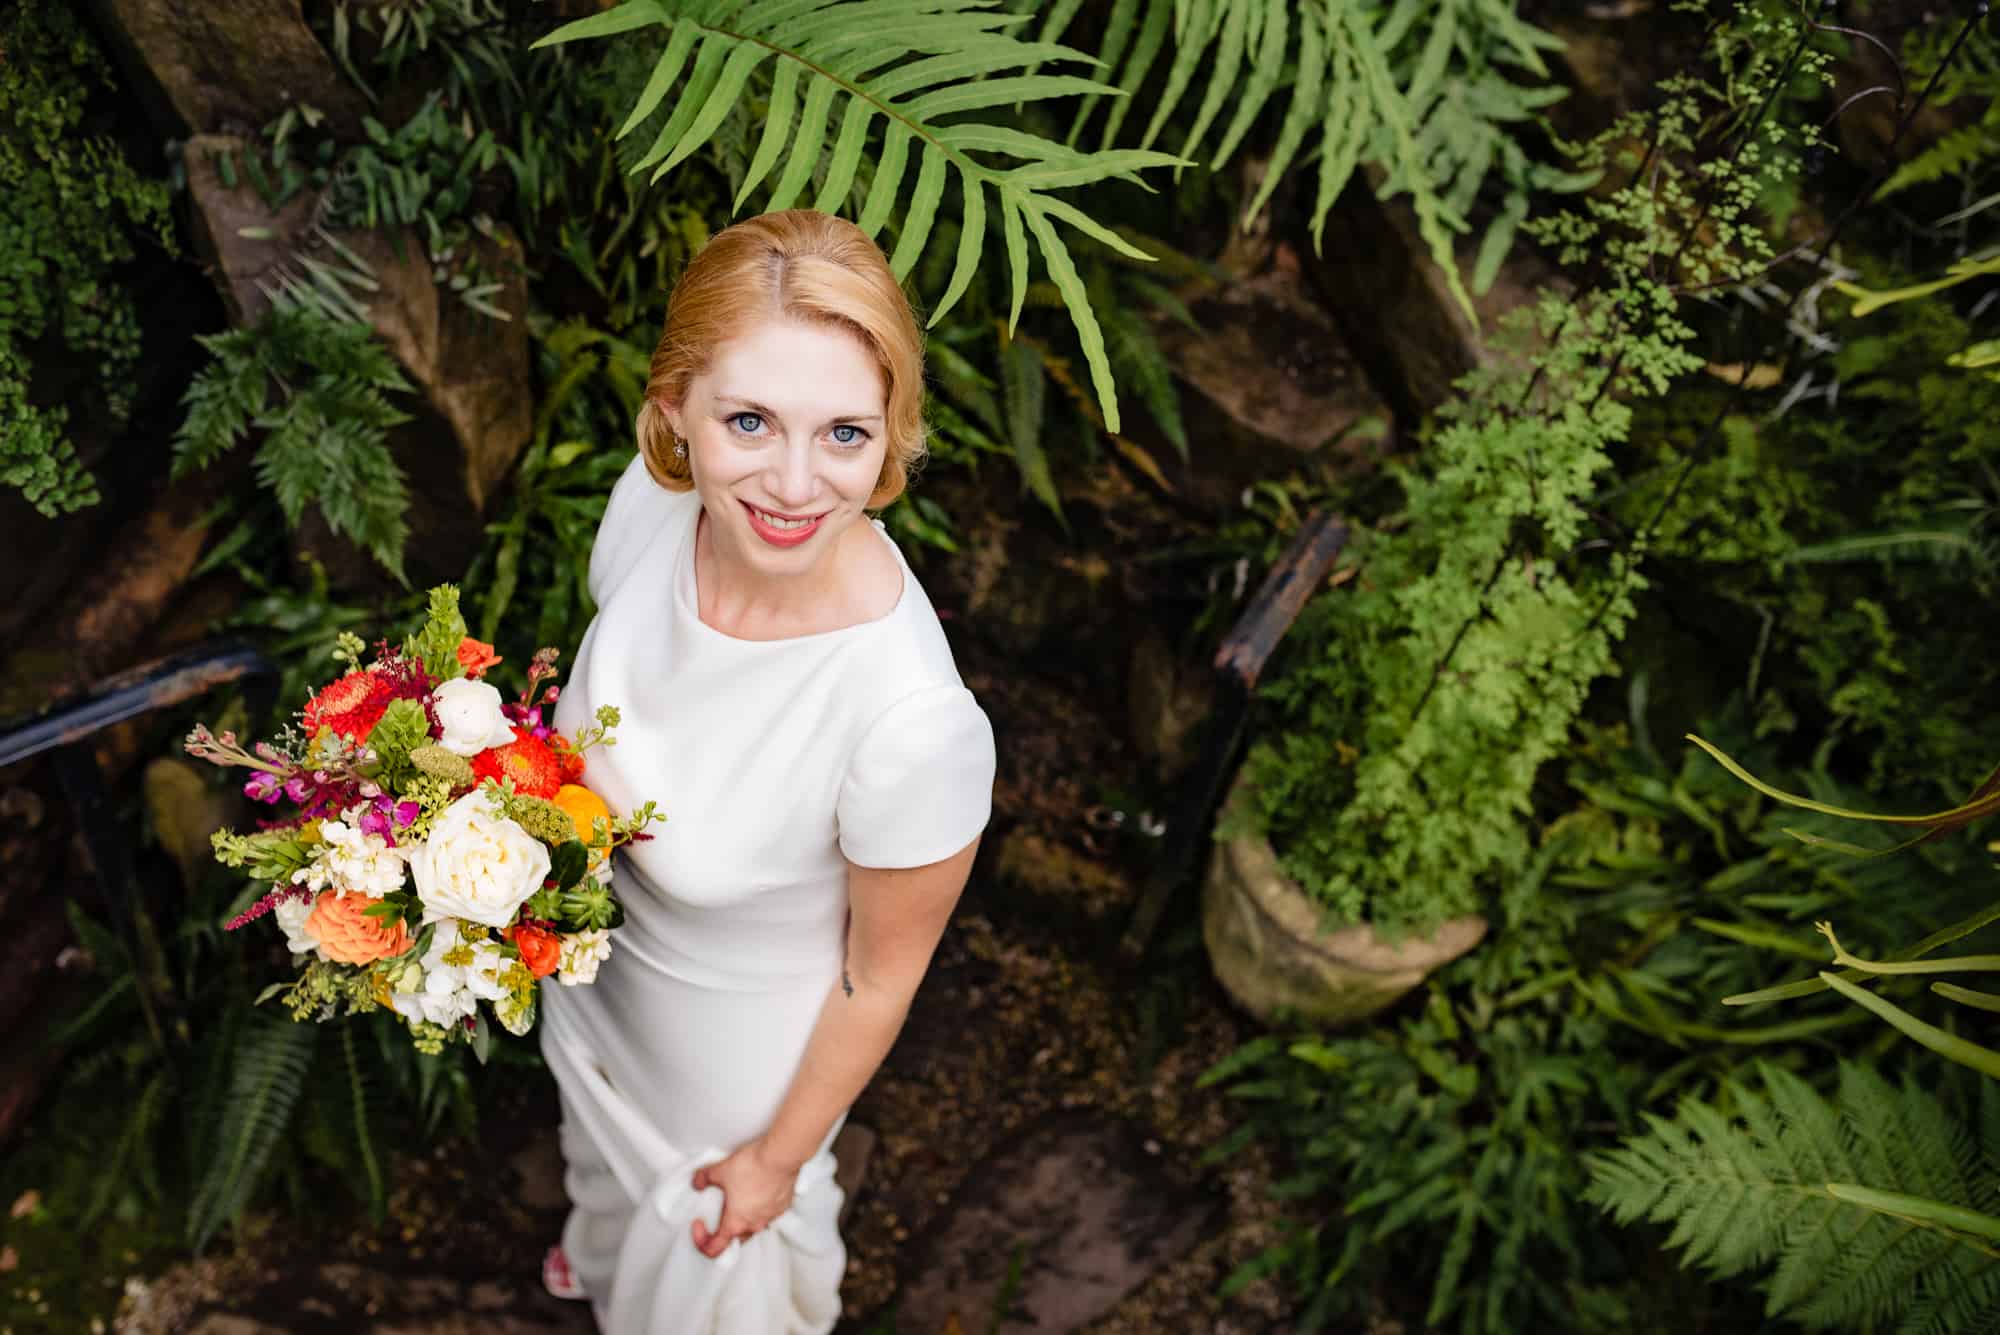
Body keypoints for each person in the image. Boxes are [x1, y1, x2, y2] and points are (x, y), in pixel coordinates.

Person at [539, 209, 995, 1333]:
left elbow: (878, 978)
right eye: (750, 420)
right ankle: (602, 1250)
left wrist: (775, 1160)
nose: (794, 485)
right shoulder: (655, 506)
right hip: (600, 983)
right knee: (601, 1181)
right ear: (675, 415)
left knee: (703, 1264)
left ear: (890, 437)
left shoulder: (912, 724)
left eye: (844, 434)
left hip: (730, 1066)